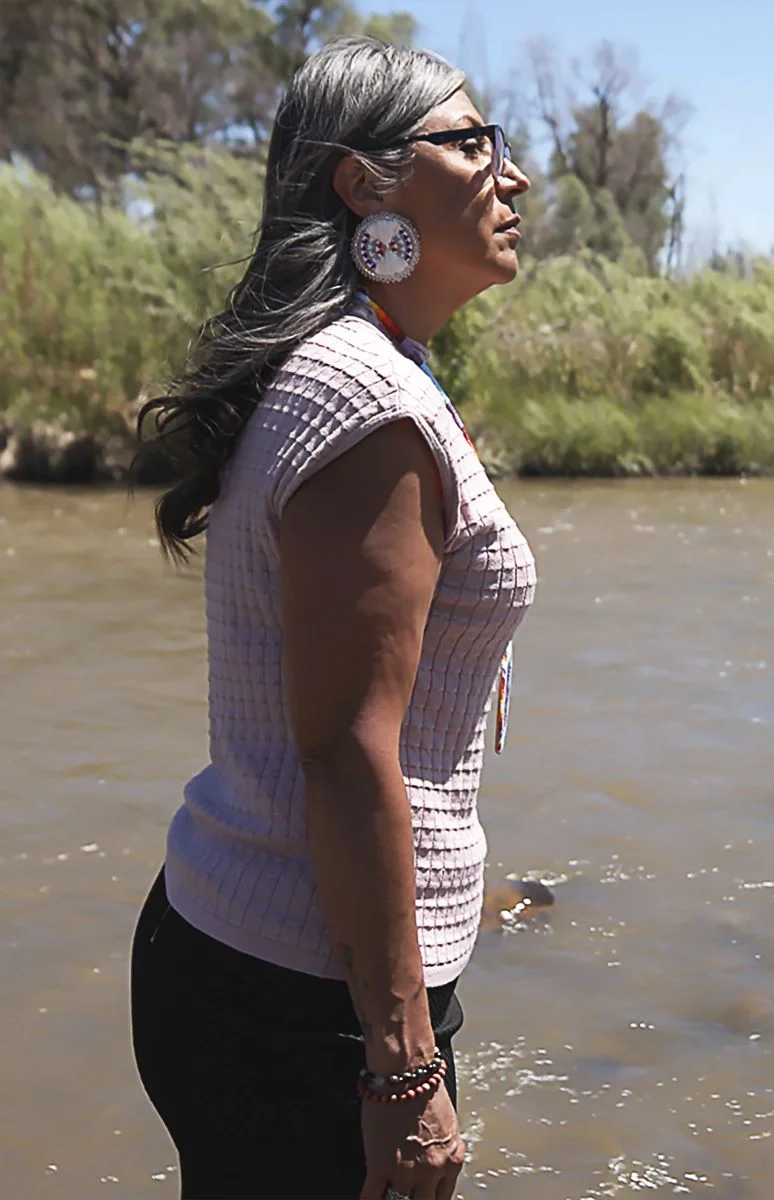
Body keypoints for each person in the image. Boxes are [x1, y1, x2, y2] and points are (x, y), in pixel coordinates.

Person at [129, 36, 535, 1200]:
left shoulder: (359, 367)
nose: (510, 174)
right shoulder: (367, 397)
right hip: (306, 1005)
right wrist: (403, 1071)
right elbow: (351, 752)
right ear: (366, 185)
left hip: (257, 961)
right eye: (473, 142)